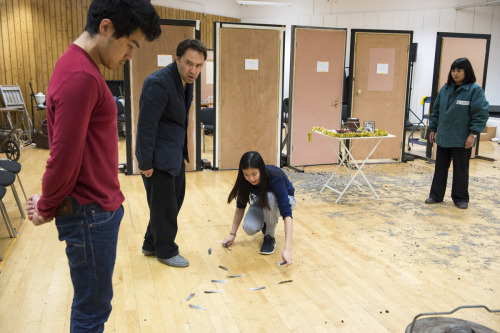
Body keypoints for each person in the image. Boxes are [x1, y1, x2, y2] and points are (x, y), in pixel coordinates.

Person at [26, 1, 161, 331]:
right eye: (130, 45)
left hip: (95, 211)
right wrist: (46, 205)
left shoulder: (79, 67)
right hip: (90, 215)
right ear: (106, 28)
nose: (130, 55)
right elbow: (63, 156)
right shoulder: (80, 76)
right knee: (92, 311)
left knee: (91, 304)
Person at [135, 39, 207, 268]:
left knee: (171, 200)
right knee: (165, 204)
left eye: (198, 65)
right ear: (177, 59)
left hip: (174, 152)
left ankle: (150, 243)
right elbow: (146, 125)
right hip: (157, 157)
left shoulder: (187, 81)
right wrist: (145, 161)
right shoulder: (158, 83)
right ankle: (165, 250)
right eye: (188, 63)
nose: (192, 70)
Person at [425, 57, 489, 210]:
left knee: (461, 169)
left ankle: (460, 199)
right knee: (440, 168)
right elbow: (436, 111)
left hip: (462, 138)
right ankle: (435, 196)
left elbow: (480, 114)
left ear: (467, 72)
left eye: (459, 70)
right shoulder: (445, 89)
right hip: (444, 137)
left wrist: (473, 134)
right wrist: (433, 128)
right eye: (453, 70)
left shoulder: (474, 90)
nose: (455, 73)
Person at [221, 151, 296, 266]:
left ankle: (269, 236)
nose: (250, 178)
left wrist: (287, 249)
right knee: (249, 228)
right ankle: (267, 222)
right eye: (246, 174)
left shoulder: (275, 177)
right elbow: (240, 207)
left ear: (261, 169)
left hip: (286, 200)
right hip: (262, 200)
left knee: (270, 196)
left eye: (254, 173)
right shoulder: (244, 180)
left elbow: (287, 214)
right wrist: (232, 234)